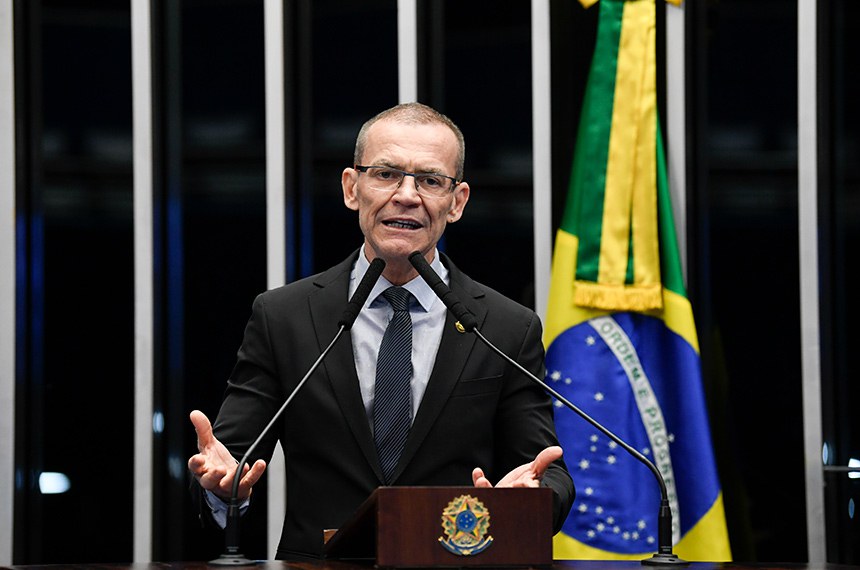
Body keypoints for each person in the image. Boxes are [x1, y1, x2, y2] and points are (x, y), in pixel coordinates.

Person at [188, 102, 575, 560]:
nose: (407, 195)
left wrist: (533, 497)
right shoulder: (284, 317)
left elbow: (547, 471)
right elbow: (226, 459)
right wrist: (222, 487)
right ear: (352, 188)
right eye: (386, 174)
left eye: (430, 180)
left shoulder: (505, 327)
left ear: (457, 202)